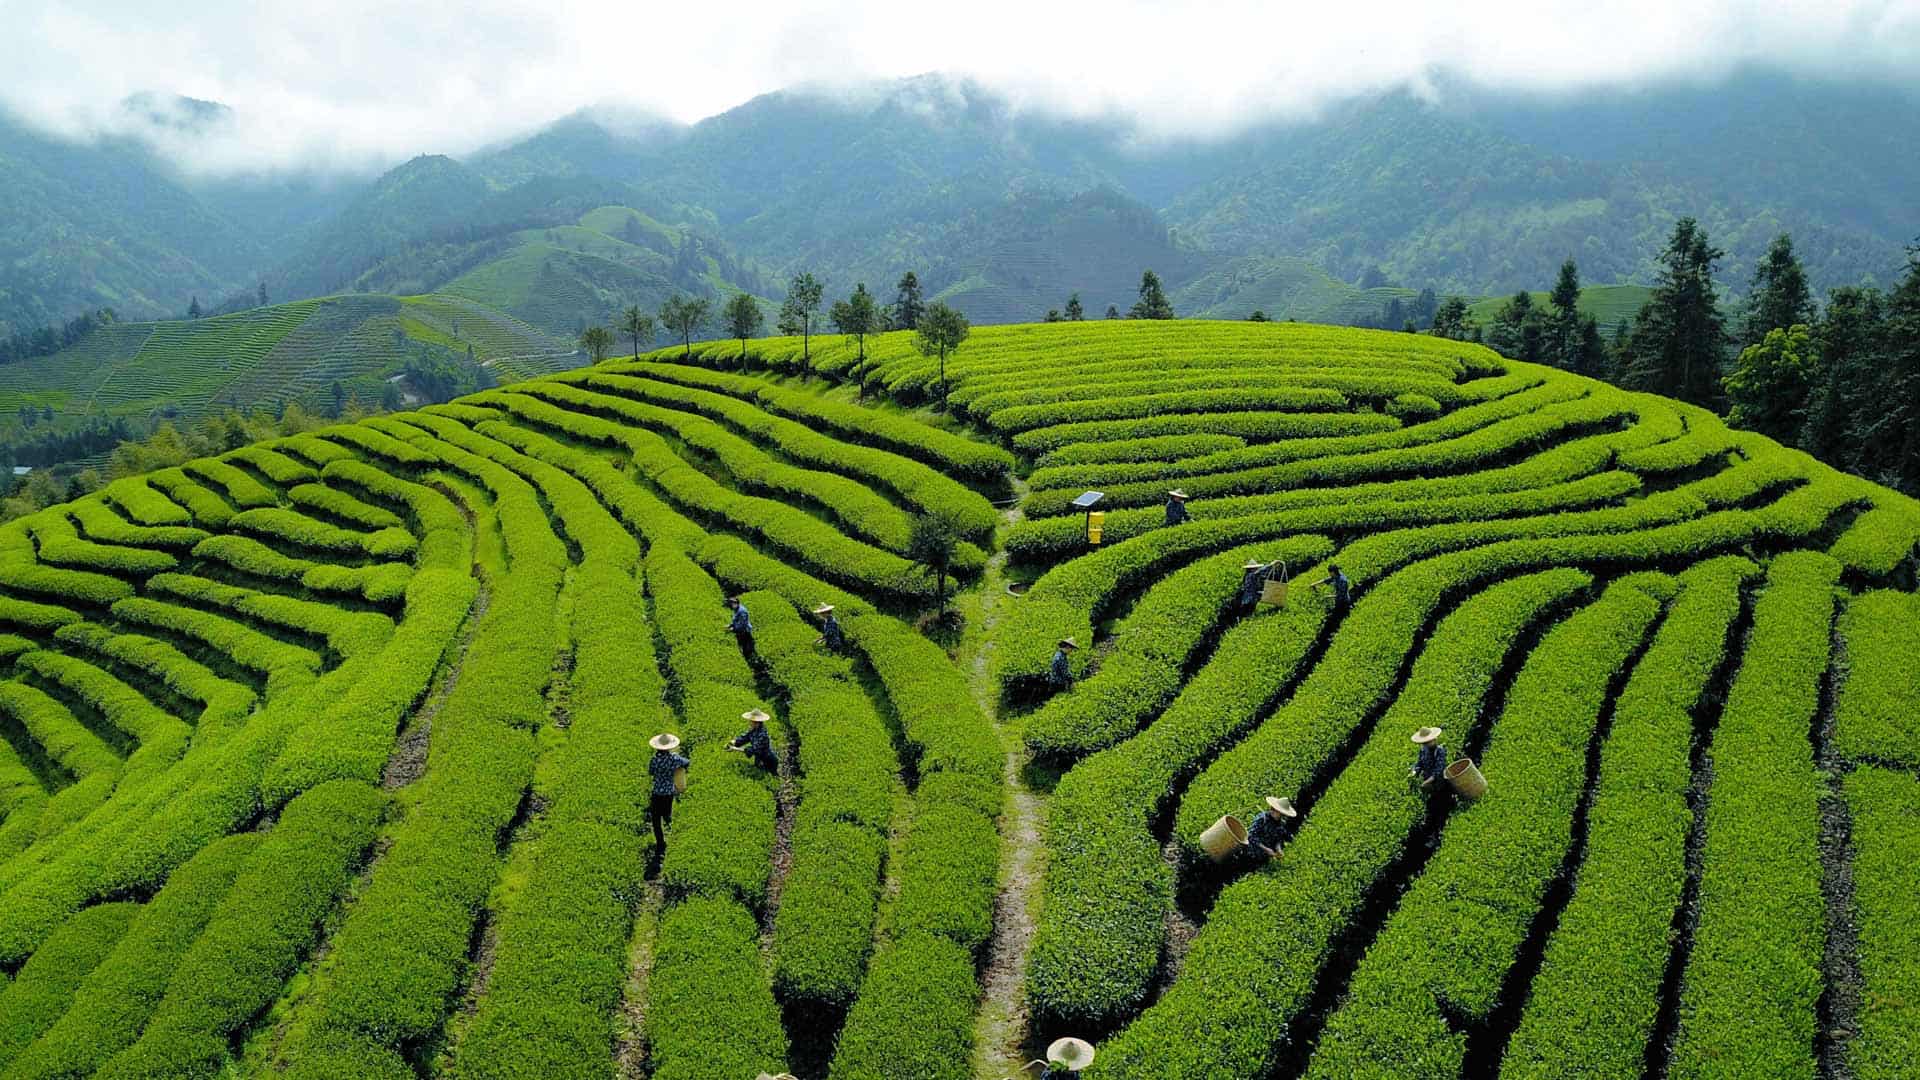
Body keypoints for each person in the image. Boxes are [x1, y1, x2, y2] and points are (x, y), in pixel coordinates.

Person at [646, 733, 690, 848]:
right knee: (666, 814)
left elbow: (651, 772)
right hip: (669, 792)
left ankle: (660, 842)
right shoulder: (674, 759)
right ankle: (671, 832)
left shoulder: (654, 760)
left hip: (656, 792)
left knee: (656, 819)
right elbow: (686, 762)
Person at [1242, 795, 1298, 863]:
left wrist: (1278, 848)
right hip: (1252, 853)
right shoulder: (1262, 818)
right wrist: (1266, 849)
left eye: (1282, 814)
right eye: (1273, 809)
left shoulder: (1280, 823)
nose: (1273, 810)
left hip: (1265, 856)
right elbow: (1251, 836)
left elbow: (1278, 838)